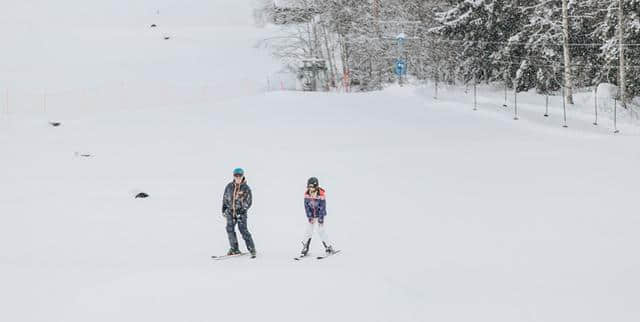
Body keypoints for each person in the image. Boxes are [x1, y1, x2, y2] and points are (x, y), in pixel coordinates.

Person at [222, 168, 256, 257]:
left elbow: (249, 201)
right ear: (233, 176)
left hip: (241, 213)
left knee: (243, 230)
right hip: (230, 212)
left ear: (242, 176)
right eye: (236, 175)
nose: (237, 177)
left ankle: (252, 249)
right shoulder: (229, 186)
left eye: (239, 176)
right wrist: (224, 209)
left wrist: (242, 210)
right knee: (230, 229)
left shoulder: (246, 188)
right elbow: (225, 198)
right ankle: (234, 249)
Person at [300, 177, 335, 257]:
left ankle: (328, 247)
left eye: (312, 187)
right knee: (308, 231)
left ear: (316, 186)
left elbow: (323, 207)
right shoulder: (307, 195)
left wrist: (320, 218)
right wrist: (310, 217)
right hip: (312, 216)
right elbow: (306, 207)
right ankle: (305, 247)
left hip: (320, 215)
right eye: (309, 187)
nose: (310, 189)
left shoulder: (321, 195)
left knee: (321, 230)